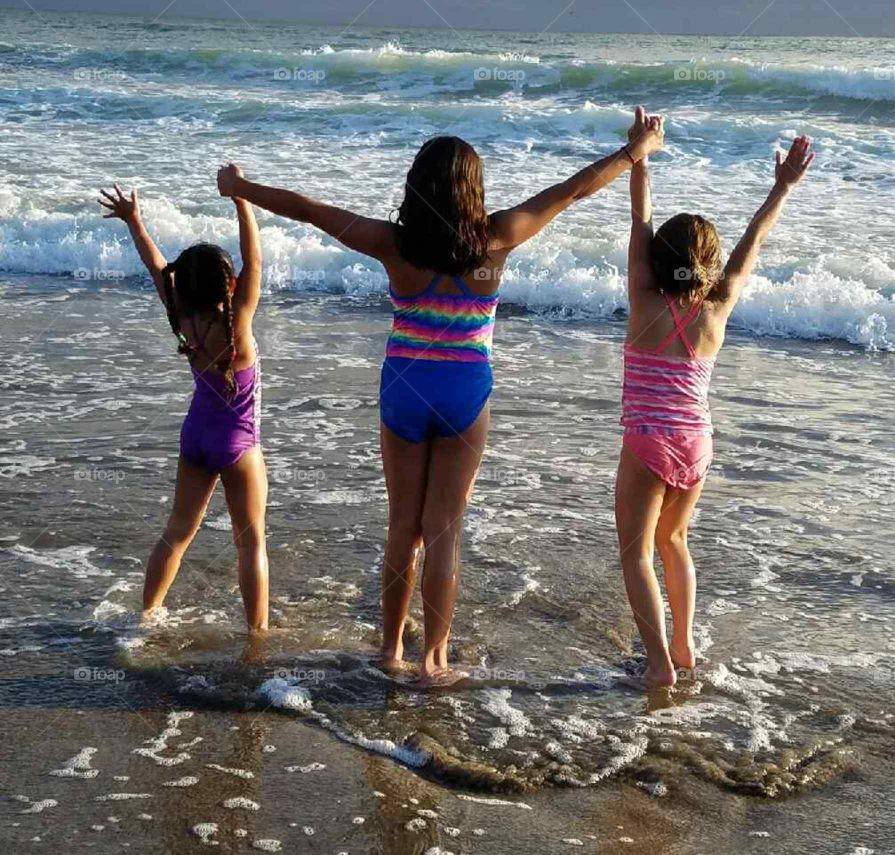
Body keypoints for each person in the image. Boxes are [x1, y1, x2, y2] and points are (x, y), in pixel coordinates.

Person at [216, 125, 657, 684]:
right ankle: (435, 659)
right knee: (444, 530)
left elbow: (309, 211)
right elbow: (571, 191)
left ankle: (391, 648)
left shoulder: (394, 243)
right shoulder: (498, 238)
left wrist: (240, 187)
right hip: (465, 392)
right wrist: (631, 154)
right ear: (474, 188)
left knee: (403, 526)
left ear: (416, 186)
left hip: (405, 386)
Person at [616, 116, 814, 688]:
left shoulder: (642, 298)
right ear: (708, 262)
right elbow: (752, 245)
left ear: (658, 258)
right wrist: (782, 188)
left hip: (649, 440)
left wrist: (641, 157)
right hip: (697, 444)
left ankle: (657, 668)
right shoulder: (716, 309)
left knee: (635, 554)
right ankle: (681, 644)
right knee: (673, 540)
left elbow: (639, 219)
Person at [98, 184, 268, 634]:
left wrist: (134, 220)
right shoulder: (240, 325)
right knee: (250, 543)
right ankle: (257, 635)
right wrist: (241, 200)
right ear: (229, 286)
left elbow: (156, 265)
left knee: (177, 532)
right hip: (238, 443)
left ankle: (147, 615)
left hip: (195, 438)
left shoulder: (180, 316)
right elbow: (256, 263)